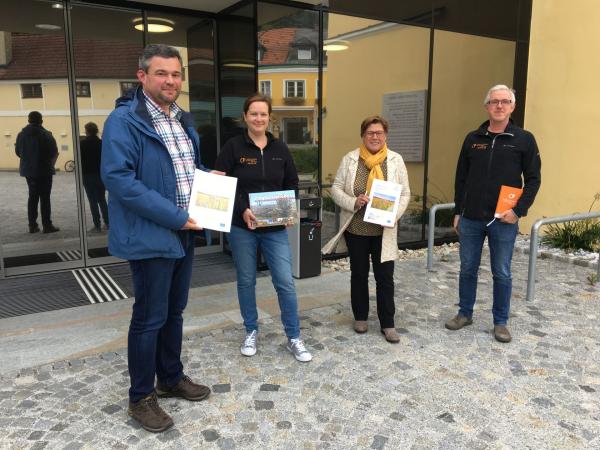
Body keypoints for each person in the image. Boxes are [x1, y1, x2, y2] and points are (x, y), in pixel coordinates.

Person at [101, 44, 212, 433]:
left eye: (176, 74)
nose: (171, 80)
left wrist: (210, 182)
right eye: (162, 73)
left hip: (184, 232)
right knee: (149, 318)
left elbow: (187, 169)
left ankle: (170, 376)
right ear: (142, 76)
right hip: (152, 234)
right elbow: (119, 180)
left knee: (174, 312)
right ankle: (140, 397)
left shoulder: (181, 119)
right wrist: (177, 217)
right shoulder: (124, 120)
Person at [215, 94, 312, 363]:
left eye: (263, 114)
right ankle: (251, 331)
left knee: (285, 282)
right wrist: (242, 209)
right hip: (242, 227)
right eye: (253, 114)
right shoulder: (233, 147)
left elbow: (291, 181)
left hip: (274, 227)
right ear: (245, 117)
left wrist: (288, 209)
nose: (258, 118)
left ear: (270, 118)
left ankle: (294, 337)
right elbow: (222, 185)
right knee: (246, 281)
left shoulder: (280, 148)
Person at [445, 84, 541, 343]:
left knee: (502, 272)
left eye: (505, 101)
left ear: (512, 107)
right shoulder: (473, 138)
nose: (499, 106)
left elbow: (533, 180)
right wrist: (457, 211)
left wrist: (518, 211)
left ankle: (500, 322)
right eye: (494, 101)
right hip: (471, 218)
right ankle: (465, 313)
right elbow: (461, 178)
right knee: (467, 269)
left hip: (503, 219)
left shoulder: (524, 139)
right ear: (486, 106)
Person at [322, 115, 410, 343]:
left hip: (384, 231)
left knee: (385, 278)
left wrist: (395, 215)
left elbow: (405, 194)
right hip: (357, 230)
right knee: (358, 275)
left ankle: (387, 324)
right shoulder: (350, 159)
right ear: (363, 135)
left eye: (379, 132)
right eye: (370, 133)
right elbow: (336, 189)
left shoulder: (395, 160)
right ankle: (360, 317)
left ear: (385, 135)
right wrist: (353, 201)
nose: (375, 137)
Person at [15, 111, 60, 234]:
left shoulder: (21, 135)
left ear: (29, 120)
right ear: (41, 120)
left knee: (32, 197)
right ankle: (47, 225)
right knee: (45, 198)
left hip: (29, 171)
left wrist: (29, 159)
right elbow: (53, 152)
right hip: (44, 170)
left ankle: (32, 226)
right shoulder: (46, 134)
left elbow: (18, 152)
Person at [80, 122, 109, 233]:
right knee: (102, 199)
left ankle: (97, 225)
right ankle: (108, 223)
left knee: (92, 201)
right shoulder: (102, 143)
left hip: (87, 175)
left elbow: (80, 161)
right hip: (100, 175)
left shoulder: (82, 144)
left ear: (86, 131)